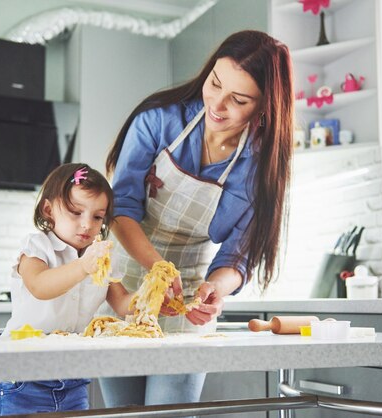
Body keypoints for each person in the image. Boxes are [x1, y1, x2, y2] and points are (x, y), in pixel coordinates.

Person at [99, 30, 294, 409]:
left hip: (188, 300)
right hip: (123, 286)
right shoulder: (158, 120)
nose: (217, 105)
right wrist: (158, 269)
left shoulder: (259, 168)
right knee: (124, 414)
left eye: (238, 100)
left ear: (265, 106)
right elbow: (121, 210)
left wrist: (215, 291)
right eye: (214, 83)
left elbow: (239, 257)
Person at [0, 163, 134, 416]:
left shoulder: (101, 257)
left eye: (97, 216)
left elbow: (123, 303)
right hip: (25, 379)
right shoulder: (37, 247)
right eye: (75, 212)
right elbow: (40, 286)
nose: (87, 225)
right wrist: (83, 266)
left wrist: (152, 298)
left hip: (74, 379)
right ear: (49, 210)